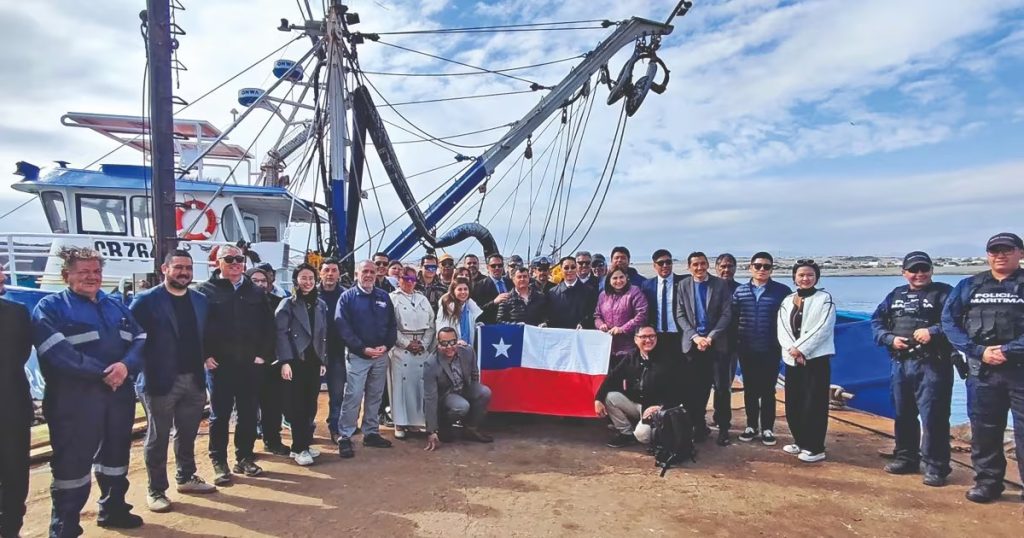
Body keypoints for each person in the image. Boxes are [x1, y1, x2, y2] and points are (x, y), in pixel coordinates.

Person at [32, 247, 146, 535]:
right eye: (84, 272)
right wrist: (103, 373)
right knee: (72, 462)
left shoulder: (115, 306)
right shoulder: (51, 307)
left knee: (116, 455)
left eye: (96, 271)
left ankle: (113, 508)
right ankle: (65, 527)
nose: (92, 277)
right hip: (74, 400)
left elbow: (141, 339)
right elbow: (56, 352)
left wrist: (125, 366)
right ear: (66, 275)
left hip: (118, 395)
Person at [130, 250, 216, 514]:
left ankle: (186, 477)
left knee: (187, 433)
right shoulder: (145, 301)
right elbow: (132, 339)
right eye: (178, 267)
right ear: (164, 269)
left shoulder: (200, 300)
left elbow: (206, 335)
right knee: (158, 437)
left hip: (194, 379)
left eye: (188, 268)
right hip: (159, 381)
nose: (184, 273)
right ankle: (155, 490)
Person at [941, 232, 1024, 503]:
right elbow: (950, 322)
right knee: (985, 430)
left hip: (1020, 370)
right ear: (987, 255)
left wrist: (1006, 350)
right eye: (994, 250)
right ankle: (987, 482)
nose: (1000, 255)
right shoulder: (969, 286)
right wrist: (978, 351)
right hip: (982, 371)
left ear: (1020, 253)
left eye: (1007, 250)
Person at [870, 251, 955, 486]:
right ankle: (906, 457)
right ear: (904, 272)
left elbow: (958, 321)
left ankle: (936, 466)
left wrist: (933, 332)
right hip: (901, 363)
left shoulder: (944, 293)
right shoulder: (896, 295)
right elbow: (876, 321)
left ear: (931, 270)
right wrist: (888, 338)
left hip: (932, 364)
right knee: (903, 413)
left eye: (924, 269)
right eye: (914, 270)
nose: (919, 274)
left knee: (934, 417)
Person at [195, 245, 275, 484]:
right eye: (229, 259)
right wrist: (204, 356)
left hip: (250, 365)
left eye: (239, 259)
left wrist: (263, 355)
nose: (235, 263)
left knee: (248, 414)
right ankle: (219, 462)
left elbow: (268, 327)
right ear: (218, 262)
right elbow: (195, 328)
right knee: (220, 416)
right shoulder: (204, 292)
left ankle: (245, 457)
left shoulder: (255, 292)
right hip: (220, 366)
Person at [336, 260, 398, 459]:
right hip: (358, 356)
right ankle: (345, 435)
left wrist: (386, 346)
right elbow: (343, 328)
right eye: (365, 271)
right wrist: (362, 348)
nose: (369, 275)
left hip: (380, 356)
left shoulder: (383, 297)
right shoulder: (347, 298)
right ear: (357, 274)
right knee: (353, 395)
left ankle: (371, 432)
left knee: (375, 395)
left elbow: (391, 325)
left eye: (372, 271)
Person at [777, 259, 836, 463]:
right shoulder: (787, 301)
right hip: (793, 360)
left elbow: (823, 327)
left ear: (816, 278)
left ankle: (815, 446)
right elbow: (783, 328)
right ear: (794, 278)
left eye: (810, 275)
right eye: (801, 275)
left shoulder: (824, 299)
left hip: (815, 359)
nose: (805, 278)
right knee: (795, 401)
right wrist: (792, 350)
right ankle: (800, 440)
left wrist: (801, 348)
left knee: (815, 403)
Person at [675, 252, 735, 445]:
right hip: (693, 344)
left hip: (716, 344)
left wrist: (710, 337)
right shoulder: (683, 285)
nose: (699, 268)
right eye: (695, 264)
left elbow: (726, 314)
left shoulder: (720, 285)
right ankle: (699, 426)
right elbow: (680, 314)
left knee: (721, 388)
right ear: (689, 267)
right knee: (695, 389)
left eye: (702, 264)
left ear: (708, 264)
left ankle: (724, 428)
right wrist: (695, 337)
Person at [733, 252, 791, 446]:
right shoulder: (740, 291)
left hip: (770, 348)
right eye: (758, 266)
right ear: (750, 268)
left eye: (766, 266)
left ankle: (767, 428)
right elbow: (733, 318)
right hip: (747, 348)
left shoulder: (782, 291)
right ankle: (751, 426)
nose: (762, 270)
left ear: (771, 269)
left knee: (767, 390)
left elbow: (788, 320)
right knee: (749, 389)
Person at [594, 326, 685, 448]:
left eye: (652, 336)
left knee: (642, 436)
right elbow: (612, 378)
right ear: (636, 339)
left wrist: (660, 407)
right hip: (638, 405)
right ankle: (626, 434)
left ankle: (653, 434)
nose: (648, 340)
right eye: (643, 337)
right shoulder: (631, 357)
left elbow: (678, 388)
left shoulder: (667, 359)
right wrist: (598, 399)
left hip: (658, 409)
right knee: (610, 397)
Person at [275, 264, 329, 466]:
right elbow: (280, 333)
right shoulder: (287, 304)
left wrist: (323, 360)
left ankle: (303, 444)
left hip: (313, 361)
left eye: (311, 278)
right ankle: (299, 447)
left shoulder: (320, 304)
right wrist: (285, 361)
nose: (307, 282)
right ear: (296, 280)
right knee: (297, 406)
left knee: (310, 404)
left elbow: (323, 334)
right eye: (303, 278)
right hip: (296, 360)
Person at [0, 264, 32, 537]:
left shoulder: (17, 313)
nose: (3, 275)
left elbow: (19, 356)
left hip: (12, 409)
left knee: (14, 476)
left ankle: (11, 530)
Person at [424, 327, 494, 450]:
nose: (449, 347)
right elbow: (430, 398)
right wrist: (431, 431)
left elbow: (474, 375)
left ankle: (471, 428)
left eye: (452, 342)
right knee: (462, 406)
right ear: (438, 343)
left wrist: (474, 400)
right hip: (446, 396)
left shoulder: (468, 351)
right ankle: (444, 425)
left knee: (484, 392)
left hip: (464, 388)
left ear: (457, 341)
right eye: (444, 343)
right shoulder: (431, 363)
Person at [389, 266, 436, 439]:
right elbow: (390, 325)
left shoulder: (422, 299)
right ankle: (400, 422)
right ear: (399, 279)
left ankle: (415, 421)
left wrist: (423, 344)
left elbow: (431, 324)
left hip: (421, 346)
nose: (410, 283)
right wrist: (407, 343)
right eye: (406, 279)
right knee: (401, 387)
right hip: (402, 348)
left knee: (419, 386)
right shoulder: (392, 299)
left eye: (413, 279)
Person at [246, 266, 289, 457]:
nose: (260, 284)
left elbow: (281, 333)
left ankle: (273, 441)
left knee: (273, 406)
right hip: (247, 363)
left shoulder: (279, 302)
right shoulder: (239, 303)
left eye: (263, 281)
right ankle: (245, 450)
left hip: (272, 362)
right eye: (255, 280)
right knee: (247, 409)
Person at [595, 267, 649, 371]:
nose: (618, 281)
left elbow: (642, 314)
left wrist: (623, 329)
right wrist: (600, 325)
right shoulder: (603, 295)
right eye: (614, 278)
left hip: (629, 347)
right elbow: (597, 316)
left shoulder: (634, 291)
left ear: (626, 278)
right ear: (609, 280)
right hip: (608, 348)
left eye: (621, 277)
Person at [319, 258, 348, 444]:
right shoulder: (310, 293)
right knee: (309, 393)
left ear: (339, 274)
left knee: (337, 393)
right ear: (320, 273)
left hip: (337, 352)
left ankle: (335, 426)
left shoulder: (346, 295)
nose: (330, 274)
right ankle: (307, 427)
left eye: (334, 270)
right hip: (313, 354)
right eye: (326, 270)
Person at [641, 249, 684, 362]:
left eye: (668, 262)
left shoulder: (684, 282)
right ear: (654, 265)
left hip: (679, 335)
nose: (665, 265)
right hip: (657, 336)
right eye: (661, 263)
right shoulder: (647, 285)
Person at [546, 256, 597, 329]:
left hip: (581, 335)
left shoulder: (589, 291)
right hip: (560, 335)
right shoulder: (552, 293)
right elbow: (550, 316)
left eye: (573, 267)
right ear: (561, 270)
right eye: (566, 268)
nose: (570, 270)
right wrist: (546, 323)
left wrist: (584, 324)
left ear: (576, 268)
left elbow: (592, 314)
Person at [437, 277, 484, 348]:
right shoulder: (446, 307)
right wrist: (455, 342)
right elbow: (442, 328)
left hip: (467, 349)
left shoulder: (470, 306)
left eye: (465, 289)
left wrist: (478, 326)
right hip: (450, 348)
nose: (463, 292)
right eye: (459, 289)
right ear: (453, 291)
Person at [473, 253, 513, 324]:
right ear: (488, 267)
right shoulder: (479, 286)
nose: (497, 268)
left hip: (510, 324)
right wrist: (494, 302)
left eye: (500, 265)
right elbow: (478, 310)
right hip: (491, 326)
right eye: (493, 266)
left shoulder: (511, 283)